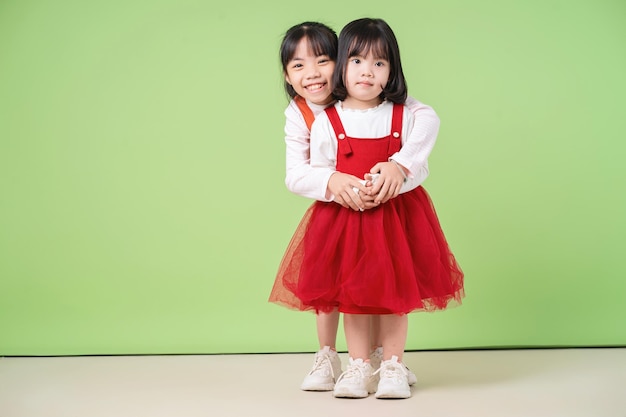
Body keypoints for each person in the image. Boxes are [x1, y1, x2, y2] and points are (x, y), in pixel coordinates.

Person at [268, 20, 447, 395]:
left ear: (337, 61)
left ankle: (387, 360)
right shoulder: (305, 117)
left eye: (322, 60)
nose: (313, 74)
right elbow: (299, 172)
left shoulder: (393, 107)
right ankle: (333, 355)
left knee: (388, 285)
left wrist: (400, 168)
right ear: (286, 75)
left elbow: (425, 118)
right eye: (298, 65)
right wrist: (332, 182)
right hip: (341, 212)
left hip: (390, 212)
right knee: (336, 286)